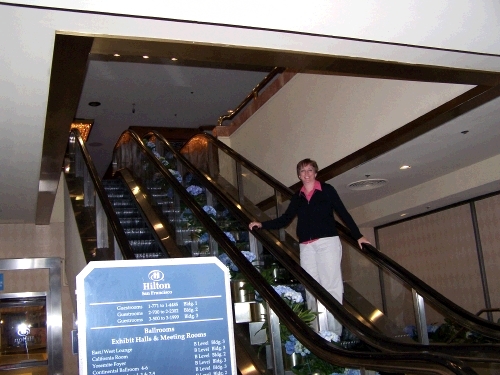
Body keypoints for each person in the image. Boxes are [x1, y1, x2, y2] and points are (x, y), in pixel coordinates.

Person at [248, 158, 370, 336]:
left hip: (327, 242)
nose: (306, 174)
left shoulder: (327, 190)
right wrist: (262, 224)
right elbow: (285, 219)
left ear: (316, 173)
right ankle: (317, 331)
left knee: (331, 286)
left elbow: (342, 212)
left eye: (310, 170)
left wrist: (358, 235)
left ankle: (334, 331)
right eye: (303, 171)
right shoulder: (298, 196)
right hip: (306, 247)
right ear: (299, 175)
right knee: (311, 287)